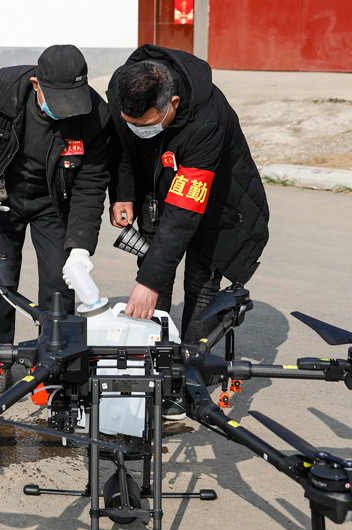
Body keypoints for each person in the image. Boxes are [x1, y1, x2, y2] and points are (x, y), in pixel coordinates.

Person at [106, 45, 269, 418]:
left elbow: (183, 213)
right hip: (157, 190)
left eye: (146, 124)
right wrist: (124, 193)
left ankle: (187, 379)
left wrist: (149, 281)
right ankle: (151, 367)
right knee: (154, 277)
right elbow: (123, 147)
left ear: (174, 103)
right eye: (131, 121)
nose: (136, 129)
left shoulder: (208, 119)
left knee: (199, 286)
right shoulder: (126, 89)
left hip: (216, 205)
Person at [0, 44, 111, 400]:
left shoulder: (95, 115)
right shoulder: (3, 89)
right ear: (37, 84)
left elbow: (91, 183)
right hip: (1, 197)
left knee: (60, 281)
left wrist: (81, 246)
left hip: (54, 204)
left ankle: (53, 361)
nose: (66, 111)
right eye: (59, 101)